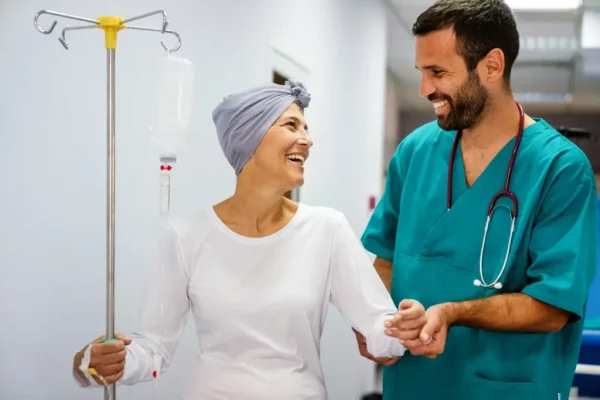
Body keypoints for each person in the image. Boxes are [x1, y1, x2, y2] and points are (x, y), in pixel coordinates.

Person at [71, 81, 426, 399]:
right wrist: (101, 362)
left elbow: (381, 329)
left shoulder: (326, 229)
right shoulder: (186, 236)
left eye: (306, 127)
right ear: (249, 138)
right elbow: (153, 354)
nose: (307, 139)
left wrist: (406, 328)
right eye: (291, 125)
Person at [357, 1, 598, 399]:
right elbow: (385, 258)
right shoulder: (415, 152)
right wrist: (375, 321)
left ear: (492, 65)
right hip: (413, 384)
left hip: (503, 387)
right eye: (421, 72)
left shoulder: (560, 168)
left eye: (438, 72)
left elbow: (553, 305)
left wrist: (452, 313)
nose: (424, 89)